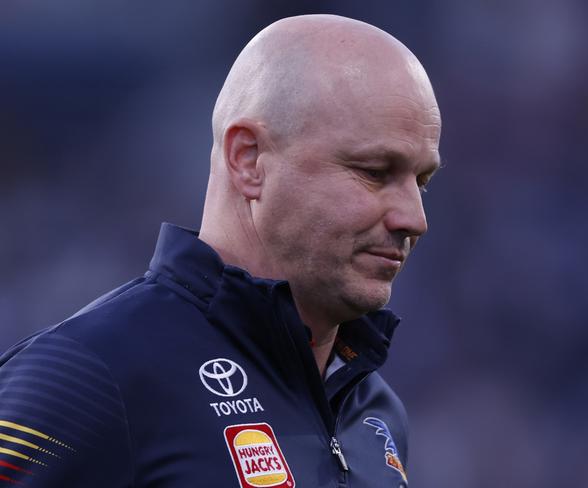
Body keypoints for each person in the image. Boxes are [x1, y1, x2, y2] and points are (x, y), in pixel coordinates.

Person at [0, 14, 441, 488]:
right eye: (374, 171)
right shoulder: (89, 377)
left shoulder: (374, 411)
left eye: (422, 182)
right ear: (248, 160)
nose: (414, 219)